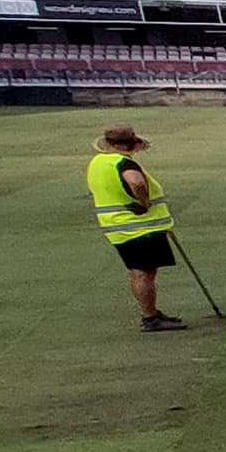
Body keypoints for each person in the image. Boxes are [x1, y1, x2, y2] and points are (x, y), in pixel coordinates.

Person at [85, 122, 188, 332]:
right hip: (139, 226)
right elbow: (137, 183)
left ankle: (150, 313)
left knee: (138, 271)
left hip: (117, 226)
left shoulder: (98, 162)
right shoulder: (124, 163)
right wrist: (144, 202)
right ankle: (150, 317)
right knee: (143, 272)